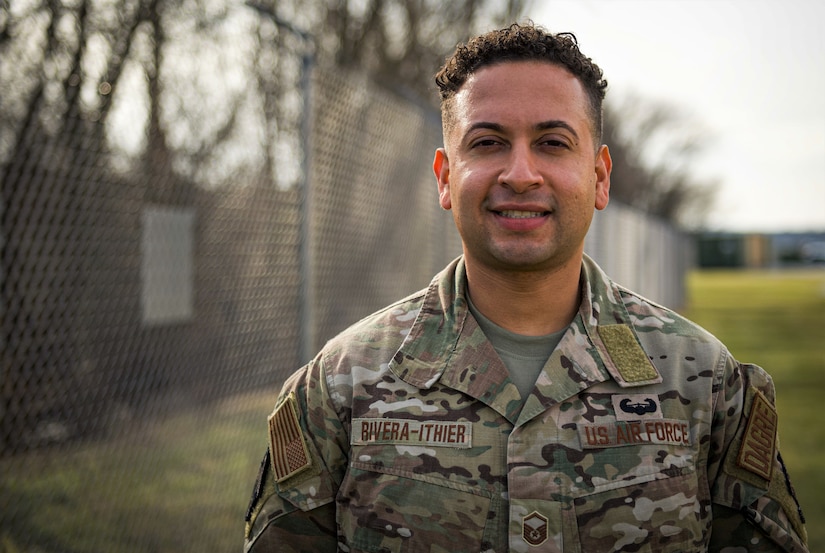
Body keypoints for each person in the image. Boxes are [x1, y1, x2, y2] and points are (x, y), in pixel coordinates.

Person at [243, 22, 808, 553]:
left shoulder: (704, 381)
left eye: (553, 143)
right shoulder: (340, 386)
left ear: (600, 176)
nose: (519, 174)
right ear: (445, 177)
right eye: (487, 143)